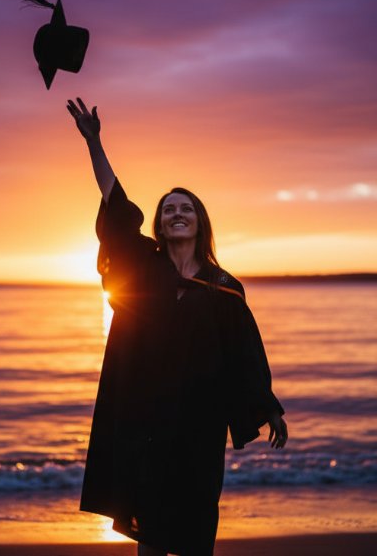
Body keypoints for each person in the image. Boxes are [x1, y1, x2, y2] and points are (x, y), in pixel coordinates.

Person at [68, 97, 288, 556]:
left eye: (185, 207)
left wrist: (267, 406)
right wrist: (95, 145)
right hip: (146, 420)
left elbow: (244, 354)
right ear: (162, 227)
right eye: (168, 210)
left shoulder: (224, 288)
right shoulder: (144, 268)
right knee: (147, 529)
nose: (176, 213)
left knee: (194, 526)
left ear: (199, 222)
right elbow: (116, 205)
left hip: (198, 428)